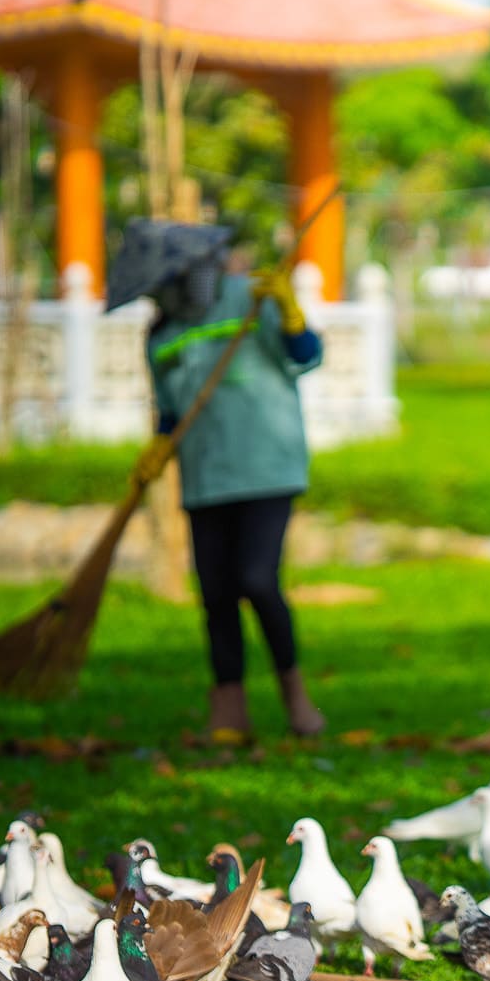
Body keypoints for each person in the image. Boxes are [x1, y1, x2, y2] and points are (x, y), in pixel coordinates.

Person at [108, 219, 326, 745]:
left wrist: (292, 316)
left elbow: (307, 358)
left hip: (267, 467)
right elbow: (171, 409)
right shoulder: (160, 334)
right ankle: (229, 710)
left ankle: (296, 696)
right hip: (205, 476)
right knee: (216, 593)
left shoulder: (253, 300)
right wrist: (160, 445)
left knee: (257, 580)